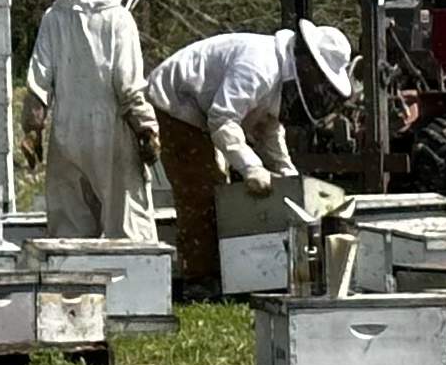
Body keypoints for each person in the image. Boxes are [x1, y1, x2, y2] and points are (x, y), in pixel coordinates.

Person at [146, 21, 355, 293]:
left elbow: (268, 129)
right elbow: (222, 120)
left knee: (223, 189)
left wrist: (286, 172)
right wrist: (252, 168)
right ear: (307, 64)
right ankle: (200, 280)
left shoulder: (279, 76)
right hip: (173, 104)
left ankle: (224, 274)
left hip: (202, 112)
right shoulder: (259, 67)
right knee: (203, 189)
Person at [21, 0, 159, 240]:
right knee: (127, 230)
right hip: (112, 135)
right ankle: (130, 285)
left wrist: (32, 130)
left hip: (66, 135)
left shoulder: (53, 17)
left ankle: (74, 287)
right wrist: (146, 129)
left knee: (70, 231)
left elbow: (38, 81)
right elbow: (129, 85)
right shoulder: (119, 20)